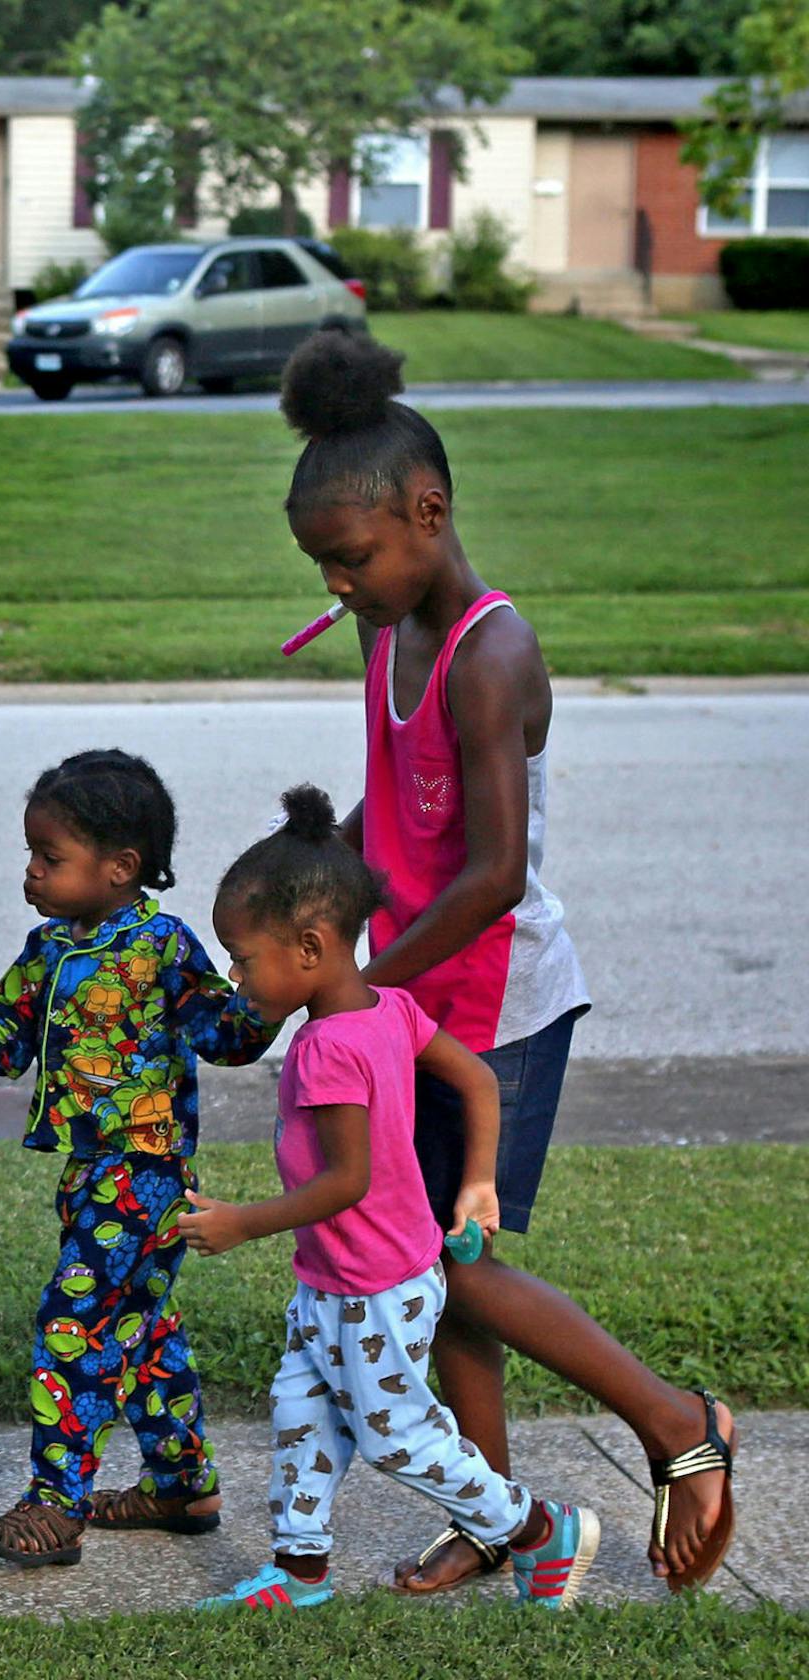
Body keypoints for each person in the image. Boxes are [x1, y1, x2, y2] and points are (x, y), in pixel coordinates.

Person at [278, 330, 736, 1593]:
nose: (340, 584)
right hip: (411, 997)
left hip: (496, 1003)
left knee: (452, 1267)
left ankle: (675, 1422)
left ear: (429, 511)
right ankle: (495, 1514)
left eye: (354, 557)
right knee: (434, 1270)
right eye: (323, 563)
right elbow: (389, 814)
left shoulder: (492, 653)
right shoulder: (386, 635)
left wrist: (353, 986)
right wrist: (316, 900)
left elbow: (488, 872)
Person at [180, 785, 600, 1612]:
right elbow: (478, 1079)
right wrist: (477, 1180)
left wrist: (240, 1224)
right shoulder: (389, 1010)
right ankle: (300, 1576)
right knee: (303, 1415)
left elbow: (348, 1181)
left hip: (376, 1288)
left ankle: (535, 1530)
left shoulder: (327, 1049)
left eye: (242, 956)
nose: (234, 976)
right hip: (343, 1278)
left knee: (395, 1434)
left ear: (308, 946)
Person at [0, 749, 275, 1567]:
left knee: (73, 1326)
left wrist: (270, 994)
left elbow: (226, 1037)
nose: (31, 873)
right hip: (90, 1177)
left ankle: (55, 1506)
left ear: (120, 868)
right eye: (31, 855)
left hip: (144, 1173)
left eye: (50, 857)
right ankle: (183, 1485)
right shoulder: (46, 952)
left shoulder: (165, 946)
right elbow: (2, 1048)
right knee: (139, 1330)